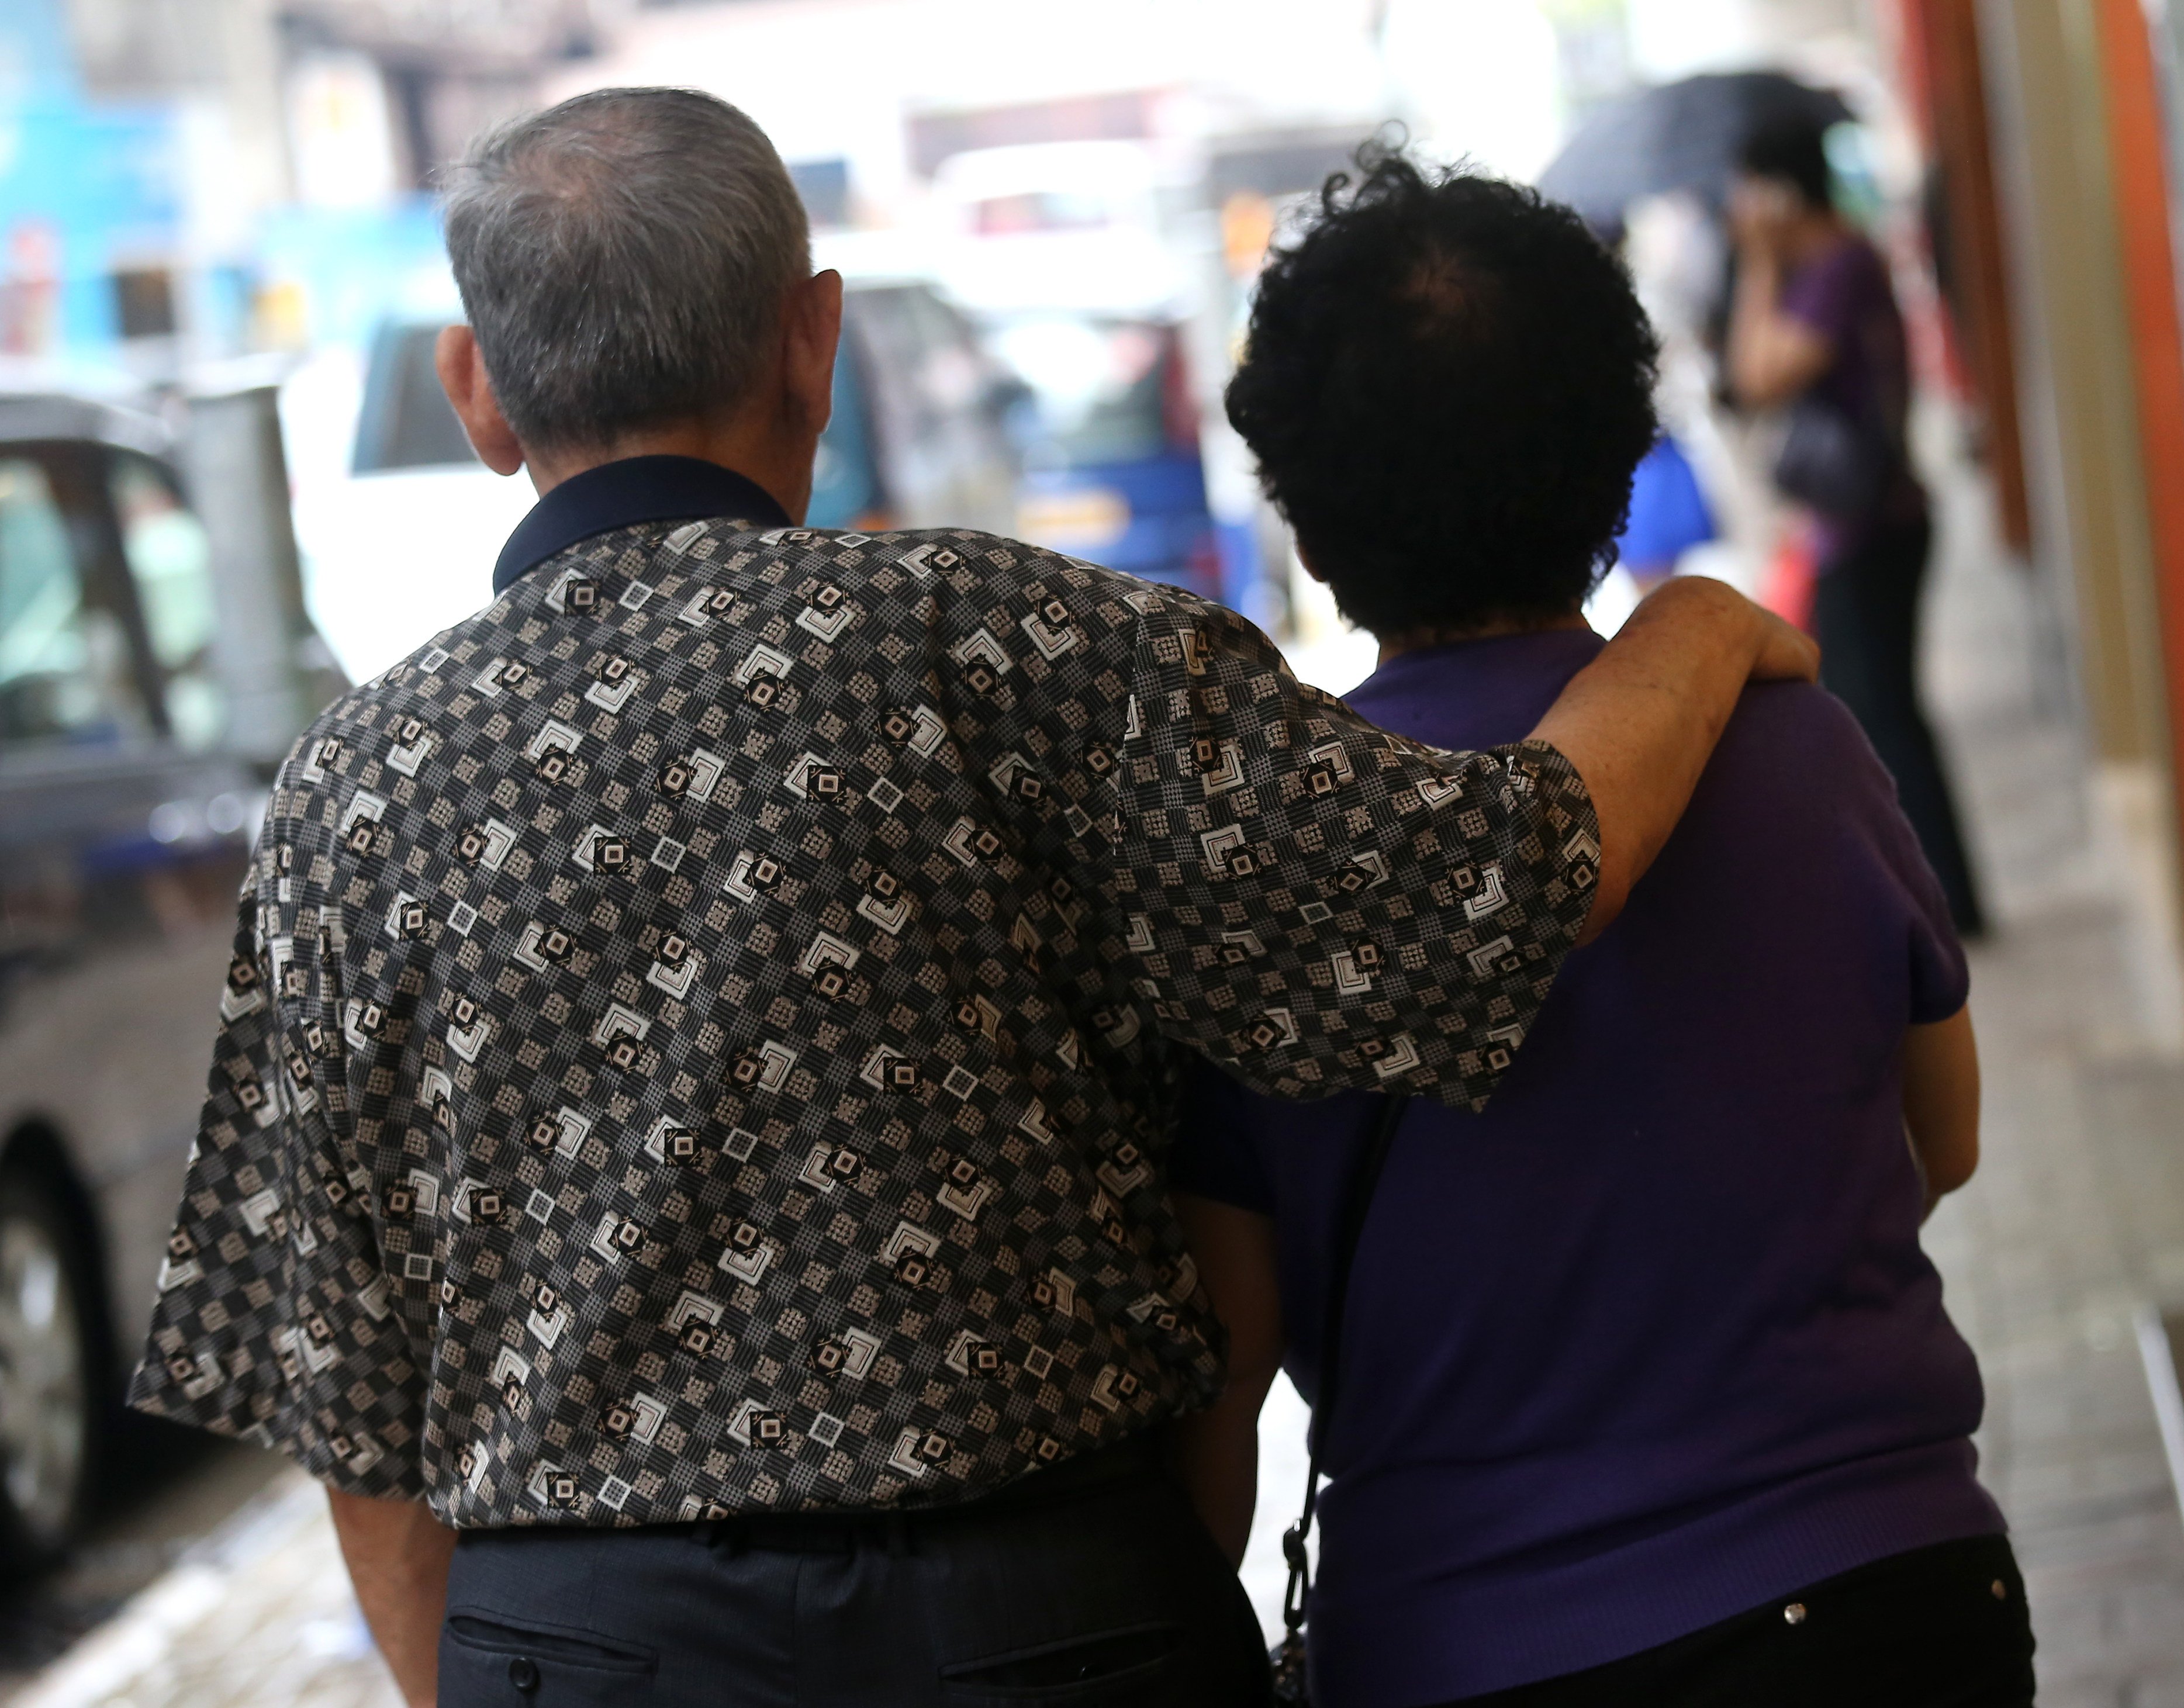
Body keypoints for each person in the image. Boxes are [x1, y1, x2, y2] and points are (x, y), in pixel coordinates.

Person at [125, 91, 1814, 1708]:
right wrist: (1694, 628)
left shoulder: (351, 794)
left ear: (478, 394)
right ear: (815, 341)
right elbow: (1487, 890)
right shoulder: (1013, 643)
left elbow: (347, 1400)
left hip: (575, 1644)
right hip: (1037, 1624)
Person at [1172, 151, 2034, 1707]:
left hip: (1475, 1647)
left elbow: (1231, 1349)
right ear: (1617, 456)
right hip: (1893, 1593)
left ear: (1301, 509)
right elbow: (1946, 1136)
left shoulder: (1267, 862)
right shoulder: (1797, 750)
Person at [1726, 115, 1986, 936]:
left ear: (1775, 188)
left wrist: (1759, 265)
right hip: (1865, 524)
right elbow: (1749, 375)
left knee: (1881, 719)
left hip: (1870, 529)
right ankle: (1935, 897)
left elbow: (1760, 375)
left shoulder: (1836, 267)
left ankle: (1937, 900)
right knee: (1880, 712)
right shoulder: (1833, 264)